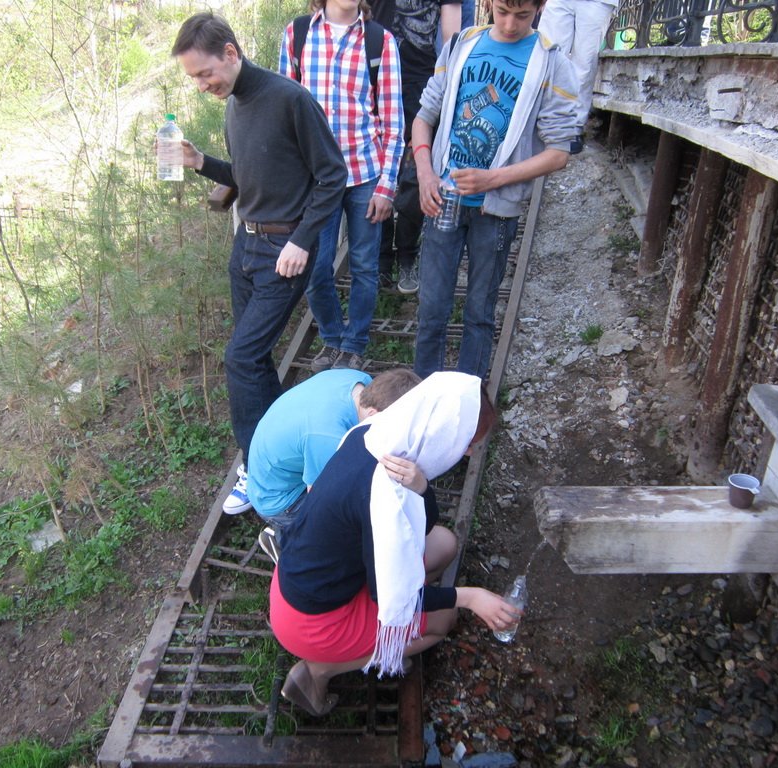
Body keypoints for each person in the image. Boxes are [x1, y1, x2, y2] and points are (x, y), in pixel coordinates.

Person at [170, 13, 347, 514]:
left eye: (205, 73)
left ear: (230, 52)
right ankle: (280, 454)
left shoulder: (289, 99)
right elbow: (249, 178)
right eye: (194, 78)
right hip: (245, 248)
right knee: (255, 359)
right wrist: (201, 163)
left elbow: (332, 175)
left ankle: (258, 466)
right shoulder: (234, 105)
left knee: (241, 358)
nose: (202, 85)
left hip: (284, 253)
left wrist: (303, 241)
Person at [270, 372, 521, 716]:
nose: (467, 452)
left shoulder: (375, 433)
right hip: (310, 621)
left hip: (301, 581)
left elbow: (425, 524)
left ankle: (369, 636)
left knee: (444, 543)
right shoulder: (381, 493)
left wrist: (421, 487)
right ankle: (319, 669)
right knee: (444, 619)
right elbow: (390, 596)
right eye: (467, 442)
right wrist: (470, 597)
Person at [411, 0, 580, 380]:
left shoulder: (551, 62)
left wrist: (493, 179)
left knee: (479, 313)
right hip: (443, 199)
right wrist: (425, 174)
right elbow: (424, 117)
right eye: (502, 11)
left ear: (540, 7)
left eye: (522, 15)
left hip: (497, 211)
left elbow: (558, 153)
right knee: (431, 309)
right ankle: (423, 395)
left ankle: (469, 399)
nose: (509, 24)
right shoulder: (461, 45)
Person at [279, 0, 405, 373]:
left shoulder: (380, 41)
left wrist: (387, 185)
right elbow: (283, 110)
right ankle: (332, 338)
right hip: (316, 178)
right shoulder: (298, 34)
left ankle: (354, 345)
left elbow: (393, 119)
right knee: (315, 266)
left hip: (364, 171)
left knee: (364, 265)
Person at [246, 367, 421, 559]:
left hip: (273, 467)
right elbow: (320, 502)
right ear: (373, 414)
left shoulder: (358, 381)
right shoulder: (328, 438)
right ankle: (287, 543)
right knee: (348, 530)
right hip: (279, 500)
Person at [368, 0, 462, 294]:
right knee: (376, 173)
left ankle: (407, 254)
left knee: (413, 177)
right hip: (373, 78)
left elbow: (452, 36)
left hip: (420, 82)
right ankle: (382, 259)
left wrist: (450, 83)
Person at [536, 0, 617, 130]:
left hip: (598, 3)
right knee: (547, 58)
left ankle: (572, 128)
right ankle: (538, 119)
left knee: (584, 67)